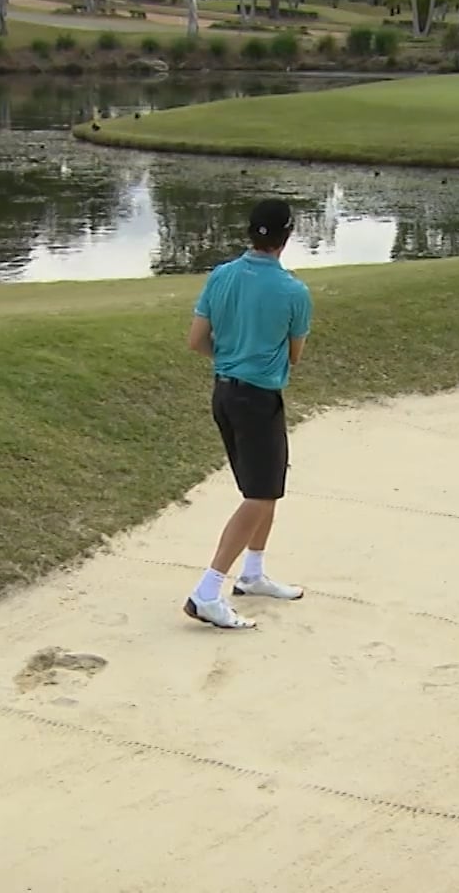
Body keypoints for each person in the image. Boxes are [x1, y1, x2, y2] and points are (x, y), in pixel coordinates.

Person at [181, 198, 313, 629]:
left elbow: (197, 339)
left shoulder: (221, 276)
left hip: (224, 392)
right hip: (259, 400)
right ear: (287, 235)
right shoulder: (294, 292)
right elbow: (294, 356)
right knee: (258, 497)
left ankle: (252, 573)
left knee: (266, 488)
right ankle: (207, 591)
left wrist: (231, 357)